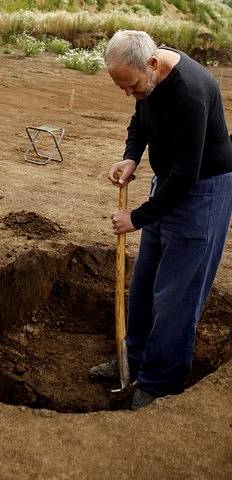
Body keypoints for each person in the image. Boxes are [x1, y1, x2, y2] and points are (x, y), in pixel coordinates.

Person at [90, 30, 232, 410]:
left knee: (175, 296)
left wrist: (135, 218)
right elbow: (140, 121)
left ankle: (158, 383)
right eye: (122, 86)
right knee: (145, 281)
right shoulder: (149, 78)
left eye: (131, 86)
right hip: (167, 184)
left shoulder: (190, 94)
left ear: (152, 65)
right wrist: (131, 156)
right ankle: (132, 359)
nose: (128, 94)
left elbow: (186, 175)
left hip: (202, 192)